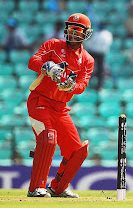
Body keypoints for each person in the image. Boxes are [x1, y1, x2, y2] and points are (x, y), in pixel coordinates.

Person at [27, 13, 94, 198]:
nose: (73, 34)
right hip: (40, 101)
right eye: (71, 29)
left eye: (77, 30)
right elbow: (32, 61)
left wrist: (72, 85)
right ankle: (35, 188)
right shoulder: (53, 45)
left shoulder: (88, 60)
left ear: (86, 34)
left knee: (77, 151)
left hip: (61, 107)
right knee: (48, 138)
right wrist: (46, 67)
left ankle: (58, 188)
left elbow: (82, 86)